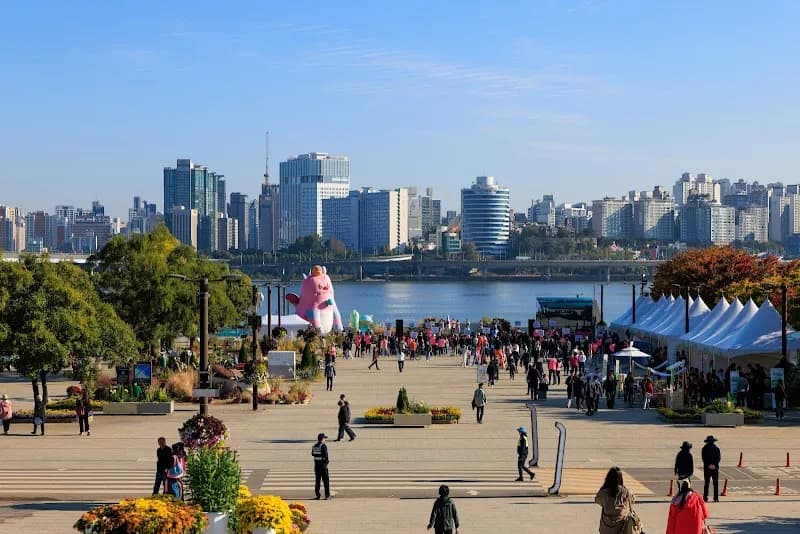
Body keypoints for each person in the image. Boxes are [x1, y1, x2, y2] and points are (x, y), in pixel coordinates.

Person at [595, 466, 638, 534]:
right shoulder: (625, 491)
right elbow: (632, 500)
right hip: (623, 527)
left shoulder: (604, 492)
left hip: (606, 528)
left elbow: (597, 500)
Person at [701, 435, 721, 503]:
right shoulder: (716, 448)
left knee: (706, 483)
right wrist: (714, 464)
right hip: (715, 468)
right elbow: (718, 458)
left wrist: (709, 465)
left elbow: (704, 458)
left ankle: (705, 498)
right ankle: (716, 498)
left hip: (707, 468)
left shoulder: (704, 448)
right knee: (715, 484)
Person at [312, 432, 331, 499]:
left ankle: (318, 495)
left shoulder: (314, 446)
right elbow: (326, 456)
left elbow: (312, 454)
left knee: (317, 481)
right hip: (323, 466)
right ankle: (327, 495)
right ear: (322, 439)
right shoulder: (323, 446)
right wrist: (326, 463)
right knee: (326, 481)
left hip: (316, 466)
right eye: (324, 438)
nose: (325, 440)